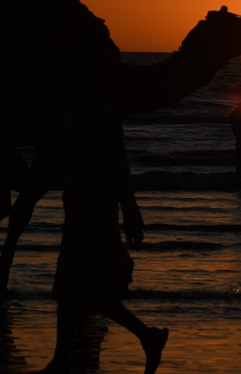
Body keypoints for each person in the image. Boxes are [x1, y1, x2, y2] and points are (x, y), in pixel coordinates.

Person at [43, 91, 168, 373]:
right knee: (79, 288)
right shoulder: (80, 107)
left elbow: (117, 161)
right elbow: (67, 157)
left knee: (73, 284)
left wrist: (130, 209)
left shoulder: (98, 110)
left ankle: (62, 360)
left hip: (95, 207)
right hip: (82, 204)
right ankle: (147, 336)